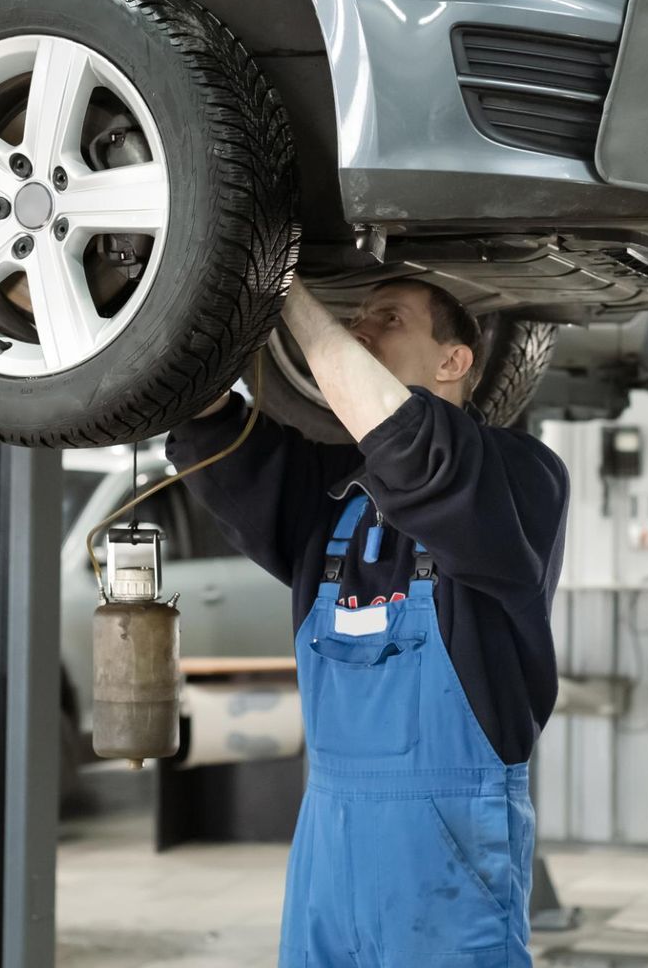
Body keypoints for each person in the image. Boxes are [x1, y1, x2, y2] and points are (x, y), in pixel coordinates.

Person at [166, 275, 569, 968]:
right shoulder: (333, 489)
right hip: (328, 847)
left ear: (453, 362)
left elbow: (410, 445)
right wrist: (189, 288)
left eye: (388, 318)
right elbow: (209, 427)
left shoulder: (517, 477)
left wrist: (279, 277)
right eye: (356, 318)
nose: (358, 330)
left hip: (444, 855)